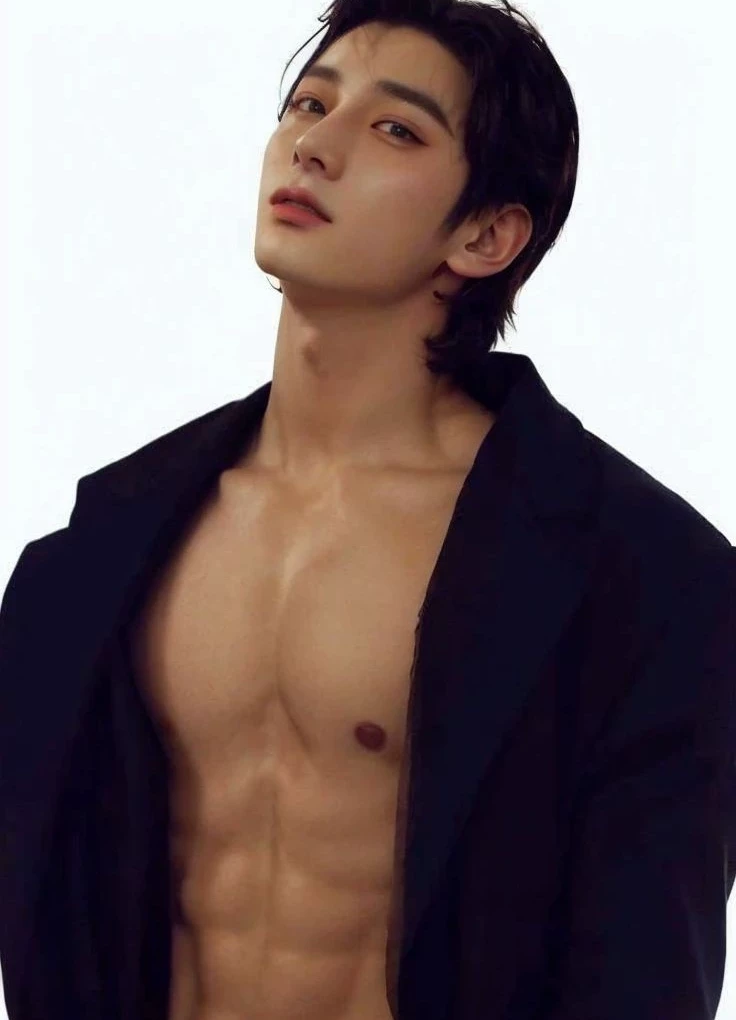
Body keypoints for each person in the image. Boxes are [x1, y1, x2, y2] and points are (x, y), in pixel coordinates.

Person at [1, 0, 734, 1018]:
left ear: (486, 234)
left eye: (396, 128)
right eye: (310, 103)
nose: (316, 144)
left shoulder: (645, 577)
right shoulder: (100, 546)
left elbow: (642, 972)